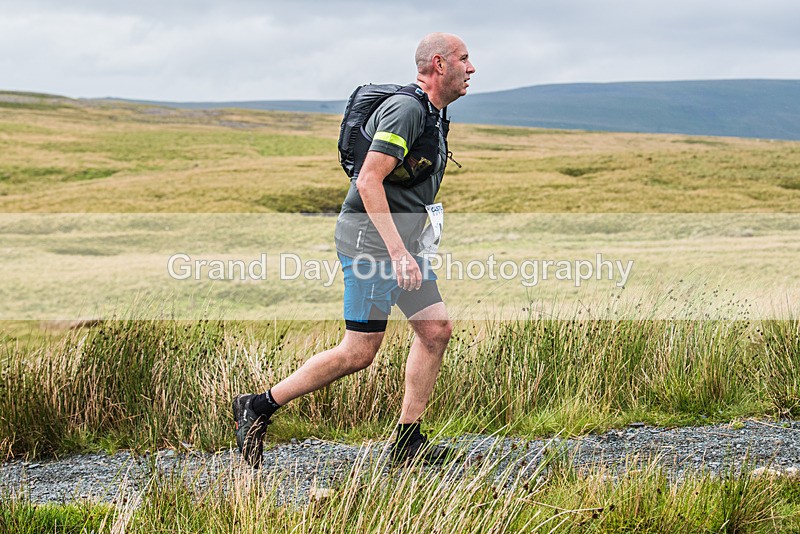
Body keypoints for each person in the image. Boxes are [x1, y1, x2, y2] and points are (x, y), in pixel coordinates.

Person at [233, 32, 475, 468]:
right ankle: (258, 406)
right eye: (464, 59)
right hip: (372, 245)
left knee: (436, 331)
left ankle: (406, 442)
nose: (471, 68)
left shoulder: (433, 113)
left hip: (401, 244)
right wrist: (398, 253)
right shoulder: (407, 110)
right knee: (359, 352)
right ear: (439, 64)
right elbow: (368, 180)